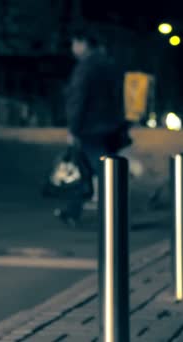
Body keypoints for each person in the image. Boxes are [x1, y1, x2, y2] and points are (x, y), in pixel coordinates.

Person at [54, 26, 132, 227]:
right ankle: (72, 212)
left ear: (83, 43)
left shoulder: (86, 67)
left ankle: (116, 216)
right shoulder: (109, 64)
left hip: (91, 128)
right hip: (111, 127)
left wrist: (74, 128)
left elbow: (78, 99)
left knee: (103, 171)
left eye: (74, 43)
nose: (73, 48)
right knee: (85, 170)